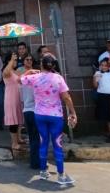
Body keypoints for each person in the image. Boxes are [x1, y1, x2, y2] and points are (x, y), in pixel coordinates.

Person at [21, 55, 77, 185]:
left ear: (41, 65)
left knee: (43, 142)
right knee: (57, 144)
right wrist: (73, 112)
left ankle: (43, 171)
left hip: (39, 114)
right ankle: (61, 175)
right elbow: (66, 97)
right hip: (55, 116)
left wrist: (28, 71)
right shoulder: (58, 78)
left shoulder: (34, 77)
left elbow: (20, 79)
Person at [18, 55, 40, 169]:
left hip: (27, 110)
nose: (29, 61)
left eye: (31, 60)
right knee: (36, 138)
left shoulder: (23, 81)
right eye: (27, 60)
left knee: (32, 138)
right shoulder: (36, 81)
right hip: (34, 111)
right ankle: (37, 163)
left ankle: (33, 162)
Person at [1, 52, 24, 150]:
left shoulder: (14, 71)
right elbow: (6, 71)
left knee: (18, 120)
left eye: (16, 60)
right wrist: (11, 60)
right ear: (8, 61)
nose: (16, 61)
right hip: (11, 98)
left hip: (17, 97)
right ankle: (14, 143)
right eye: (14, 60)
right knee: (13, 122)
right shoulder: (6, 71)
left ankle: (18, 138)